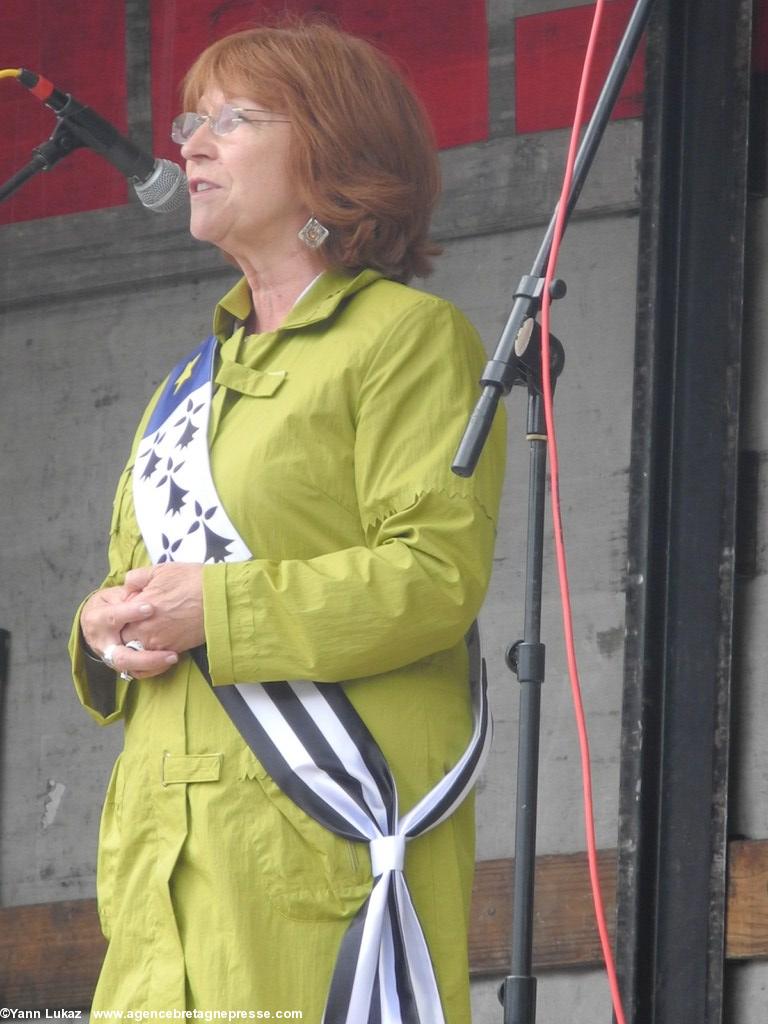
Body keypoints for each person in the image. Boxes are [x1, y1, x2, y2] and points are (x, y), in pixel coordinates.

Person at [70, 20, 506, 1024]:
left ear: (332, 153)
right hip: (162, 881)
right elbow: (137, 585)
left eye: (235, 118)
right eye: (192, 119)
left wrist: (212, 605)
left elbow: (433, 575)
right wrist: (103, 626)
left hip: (313, 859)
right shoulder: (184, 387)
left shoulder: (406, 339)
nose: (194, 143)